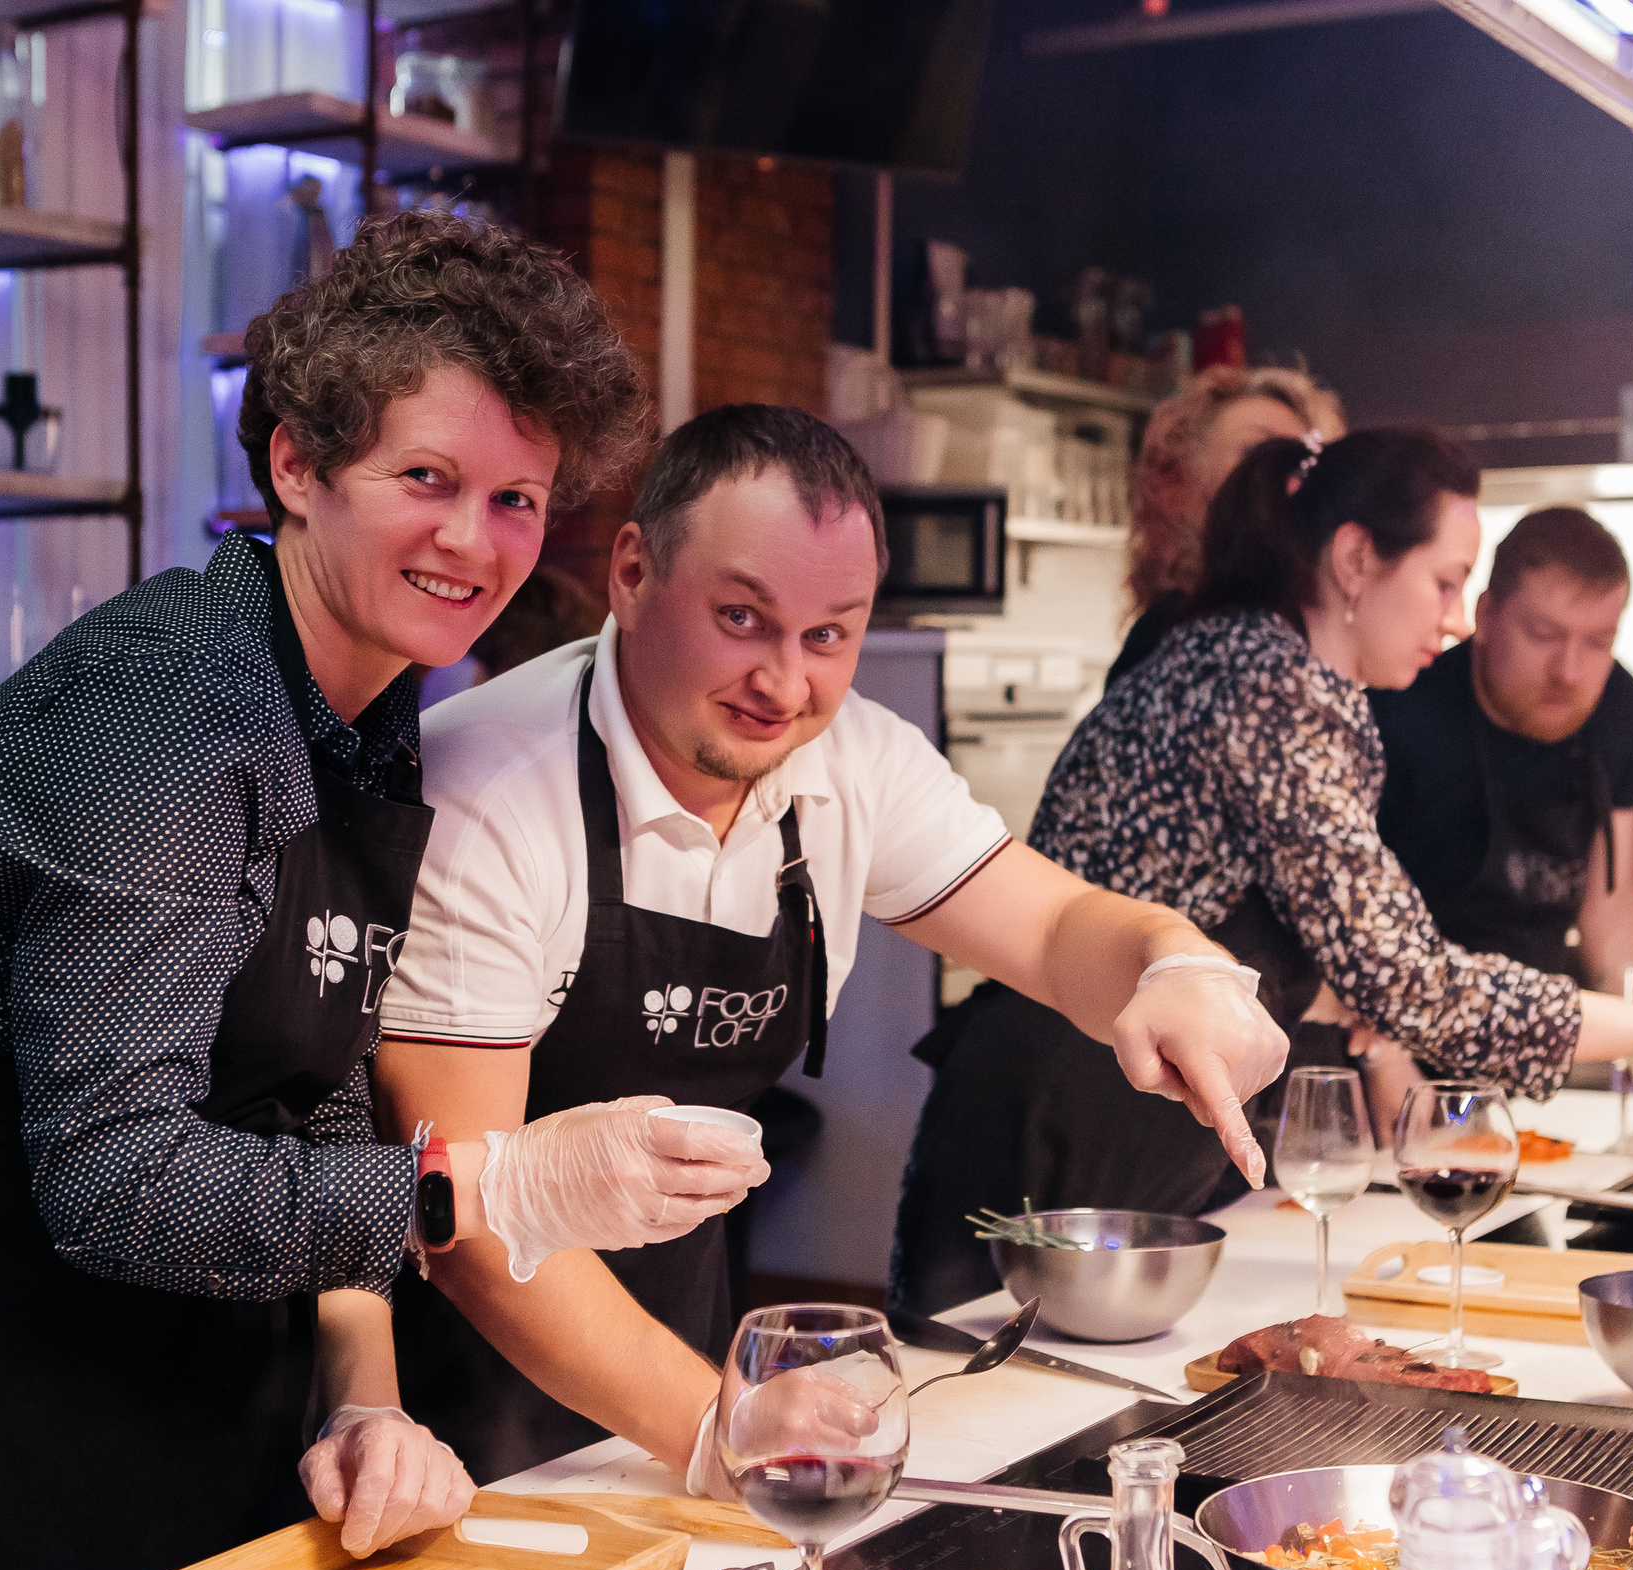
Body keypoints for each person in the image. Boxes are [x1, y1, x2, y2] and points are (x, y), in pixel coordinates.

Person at [0, 215, 768, 1570]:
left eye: (516, 498)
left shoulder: (367, 704)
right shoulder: (167, 712)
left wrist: (363, 1402)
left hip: (164, 1358)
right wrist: (492, 1188)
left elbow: (313, 1088)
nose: (474, 541)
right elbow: (114, 1174)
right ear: (296, 463)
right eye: (427, 479)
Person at [366, 405, 1291, 1481]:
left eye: (828, 636)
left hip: (678, 1353)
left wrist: (1172, 960)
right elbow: (469, 1218)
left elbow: (1049, 926)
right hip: (455, 1420)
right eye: (741, 618)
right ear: (632, 573)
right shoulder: (488, 790)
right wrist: (711, 1426)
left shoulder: (851, 760)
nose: (785, 684)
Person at [891, 429, 1633, 1314]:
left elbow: (1336, 955)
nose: (1457, 619)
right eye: (1445, 582)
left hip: (1133, 1105)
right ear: (1355, 560)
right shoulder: (1268, 690)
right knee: (990, 1385)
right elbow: (1416, 984)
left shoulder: (1281, 672)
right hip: (1068, 1115)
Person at [1370, 505, 1633, 991]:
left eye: (1597, 641)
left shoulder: (1618, 708)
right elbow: (1355, 930)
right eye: (1544, 635)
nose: (1568, 672)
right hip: (1405, 1006)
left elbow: (1613, 907)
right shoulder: (1401, 712)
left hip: (1540, 1012)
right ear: (1486, 615)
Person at [1106, 364, 1345, 686]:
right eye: (1254, 452)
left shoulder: (1307, 631)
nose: (1283, 475)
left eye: (1301, 461)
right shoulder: (1169, 635)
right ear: (1183, 481)